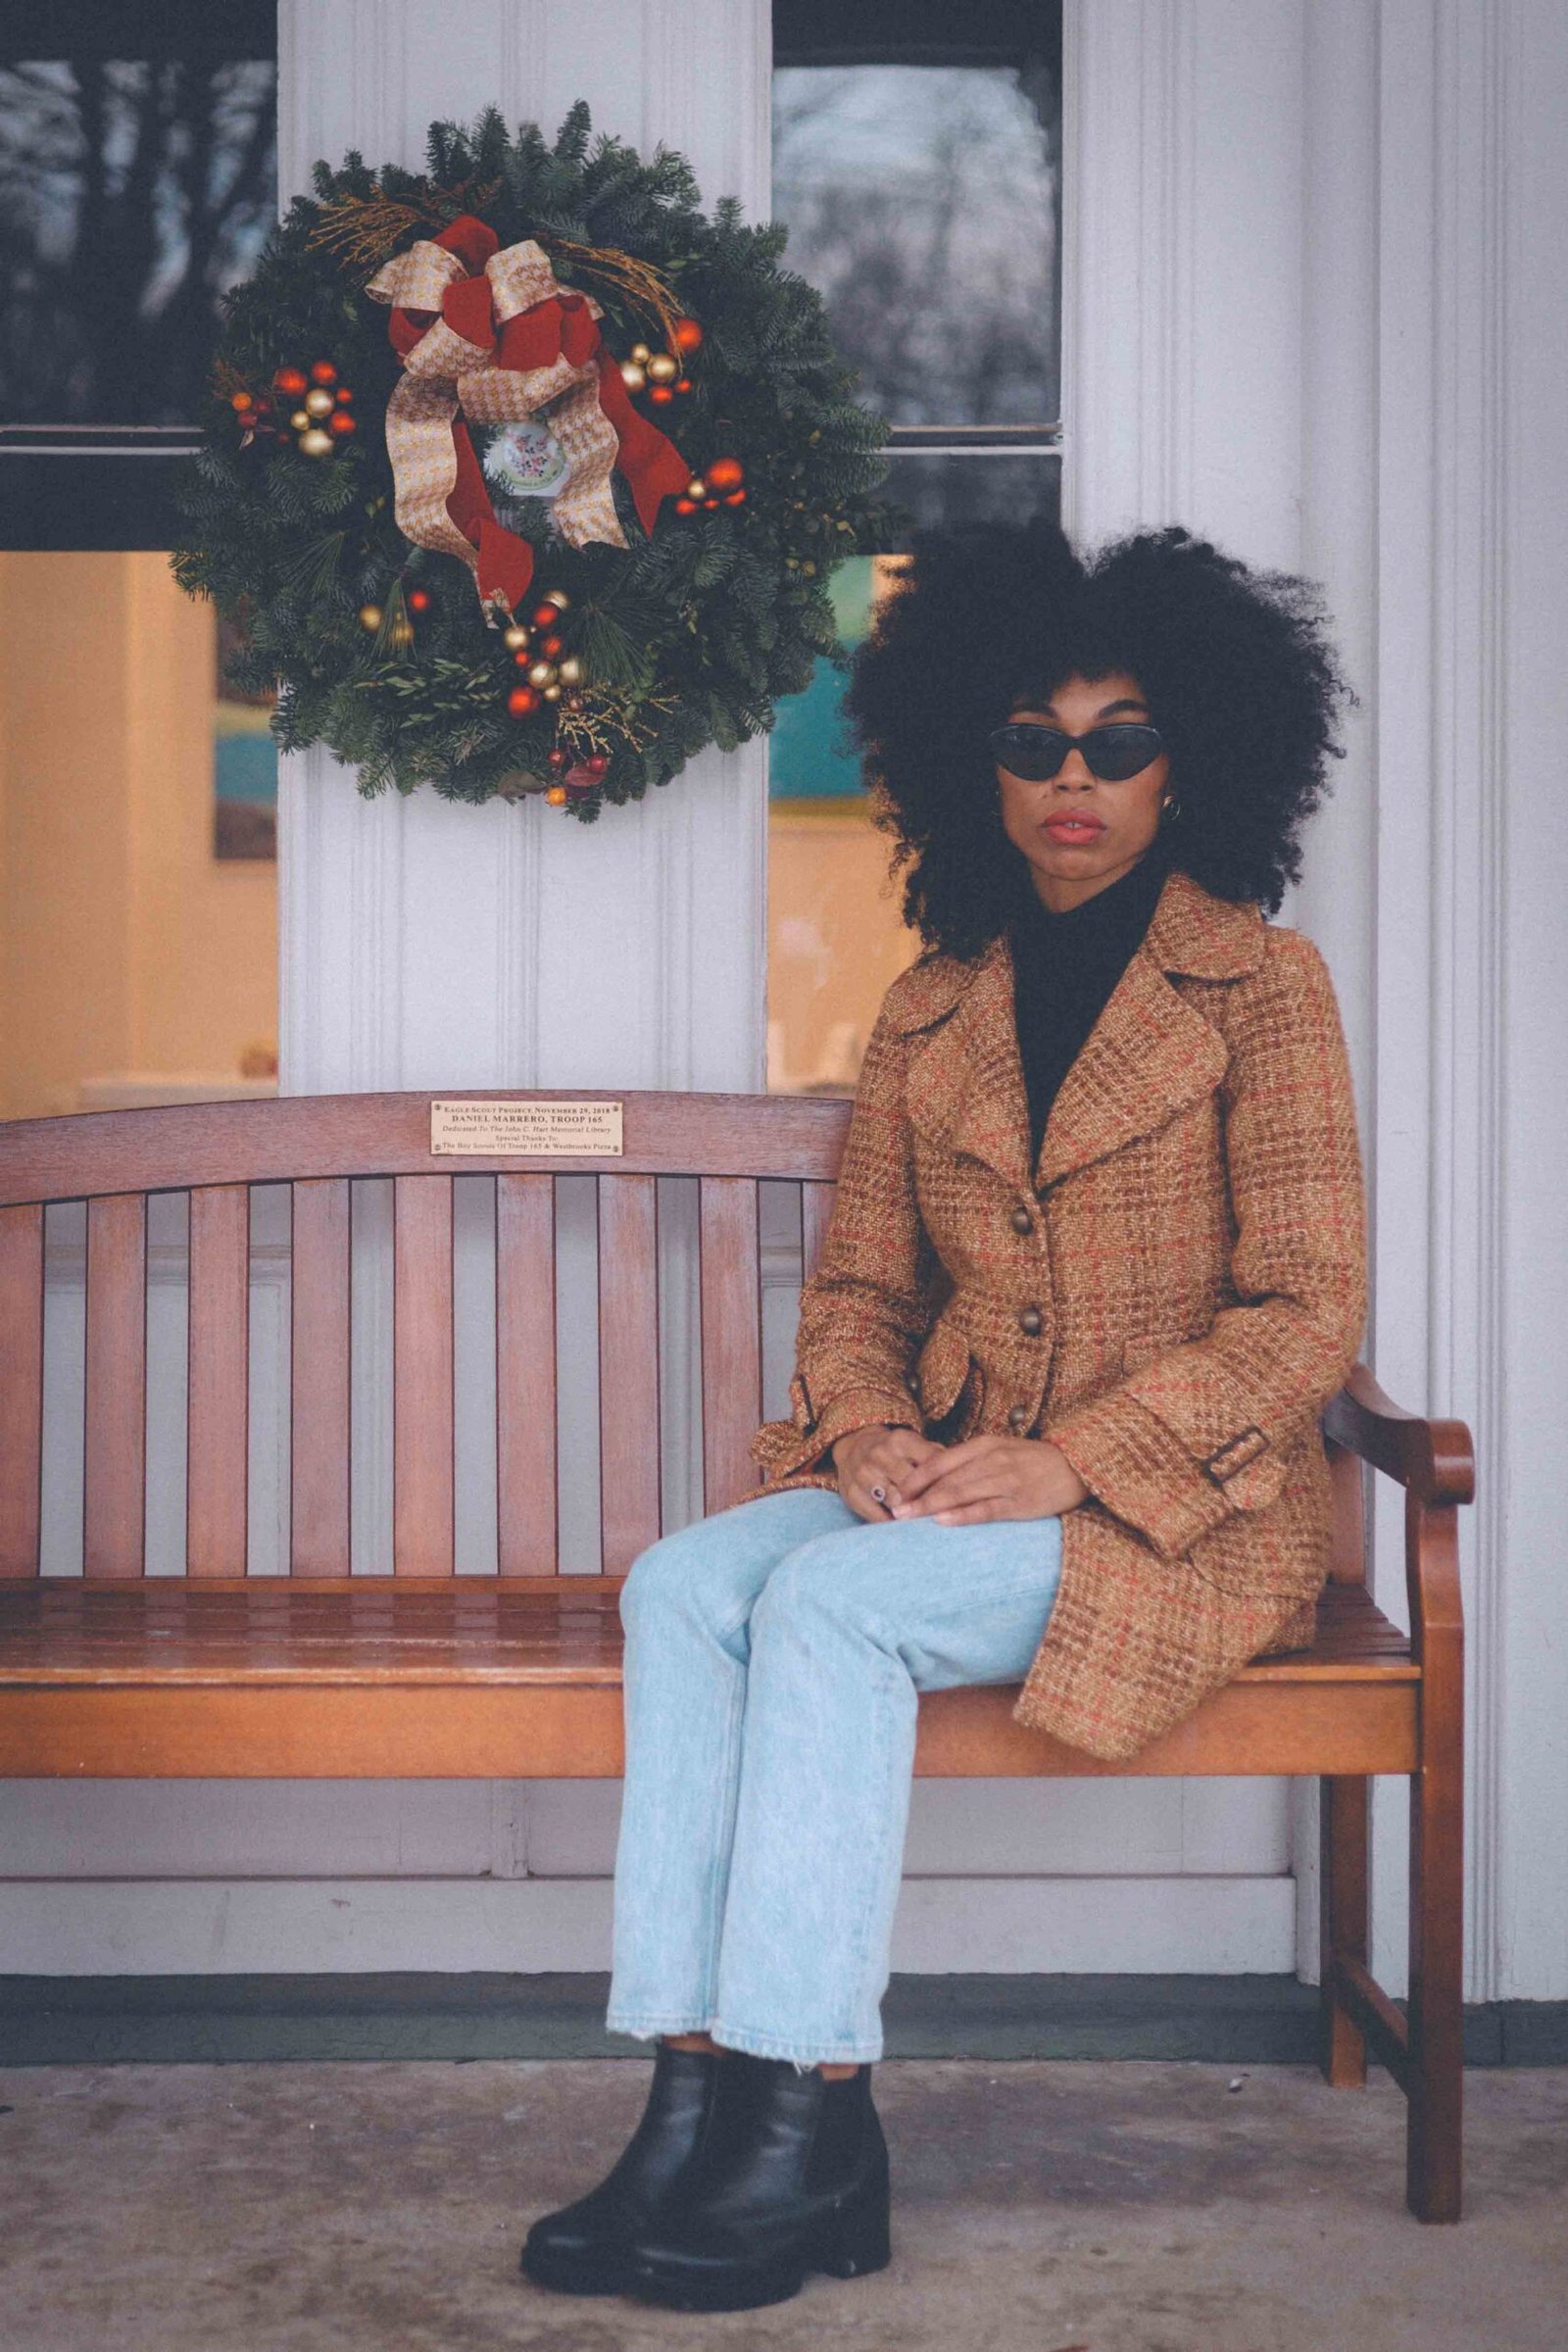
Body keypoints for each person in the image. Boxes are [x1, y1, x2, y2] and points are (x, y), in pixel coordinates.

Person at [520, 516, 1369, 2313]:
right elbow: (859, 1301)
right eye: (1033, 741)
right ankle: (689, 2103)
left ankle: (806, 2116)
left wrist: (1074, 1456)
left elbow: (1308, 1311)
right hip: (952, 1492)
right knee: (685, 1583)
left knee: (823, 1607)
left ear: (1187, 760)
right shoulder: (929, 1009)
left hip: (1177, 1512)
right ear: (967, 764)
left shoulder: (1264, 989)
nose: (1075, 779)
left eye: (1120, 741)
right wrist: (866, 1436)